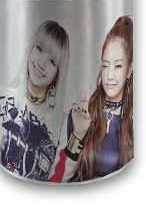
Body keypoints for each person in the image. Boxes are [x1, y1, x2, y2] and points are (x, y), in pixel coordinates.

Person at [49, 16, 133, 182]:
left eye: (118, 66)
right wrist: (77, 135)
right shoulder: (81, 113)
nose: (109, 75)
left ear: (130, 68)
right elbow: (60, 179)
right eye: (105, 65)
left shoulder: (132, 123)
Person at [0, 20, 70, 181]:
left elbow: (59, 180)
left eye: (52, 61)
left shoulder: (62, 124)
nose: (41, 64)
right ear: (30, 48)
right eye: (39, 49)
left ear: (57, 74)